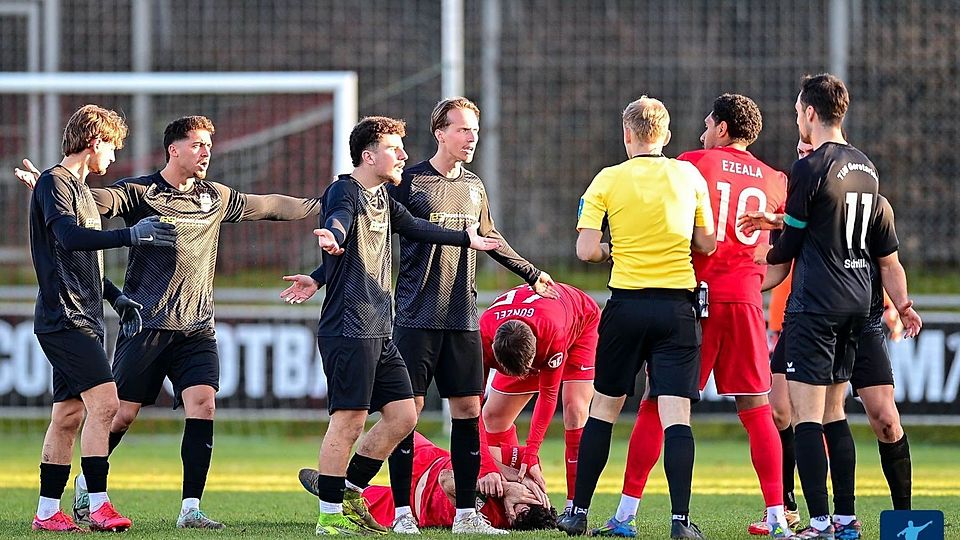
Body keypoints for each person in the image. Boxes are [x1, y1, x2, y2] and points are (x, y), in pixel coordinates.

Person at [17, 115, 325, 529]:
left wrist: (327, 202)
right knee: (117, 414)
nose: (206, 152)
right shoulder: (138, 194)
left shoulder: (214, 196)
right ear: (173, 149)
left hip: (196, 326)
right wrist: (49, 193)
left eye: (209, 146)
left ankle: (190, 508)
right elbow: (89, 207)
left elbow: (267, 205)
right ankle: (88, 489)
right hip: (145, 325)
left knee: (204, 403)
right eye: (197, 144)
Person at [281, 97, 555, 534]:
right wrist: (323, 264)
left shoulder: (473, 187)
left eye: (475, 130)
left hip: (457, 316)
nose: (471, 138)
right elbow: (348, 224)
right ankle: (392, 512)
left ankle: (463, 513)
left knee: (453, 410)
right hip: (407, 318)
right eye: (463, 129)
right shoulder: (399, 181)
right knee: (384, 414)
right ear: (440, 132)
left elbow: (480, 235)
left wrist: (528, 270)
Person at [601, 94, 794, 538]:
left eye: (708, 124)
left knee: (659, 401)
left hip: (695, 299)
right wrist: (753, 283)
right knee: (756, 408)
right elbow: (789, 240)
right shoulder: (775, 179)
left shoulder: (692, 163)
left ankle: (626, 515)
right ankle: (777, 517)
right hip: (745, 301)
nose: (702, 132)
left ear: (722, 129)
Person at [745, 74, 918, 540]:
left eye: (798, 112)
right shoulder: (866, 167)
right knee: (833, 415)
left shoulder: (809, 167)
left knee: (808, 418)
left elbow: (792, 245)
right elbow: (829, 222)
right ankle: (844, 520)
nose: (797, 119)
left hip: (816, 309)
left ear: (810, 114)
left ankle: (820, 522)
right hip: (856, 307)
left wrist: (758, 256)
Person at [556, 95, 716, 540]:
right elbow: (708, 243)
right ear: (665, 136)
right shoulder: (689, 175)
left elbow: (586, 250)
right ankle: (681, 522)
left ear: (626, 135)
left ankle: (577, 511)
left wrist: (615, 249)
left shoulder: (607, 179)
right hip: (676, 308)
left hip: (625, 306)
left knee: (604, 409)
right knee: (675, 415)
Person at [28, 104, 176, 532]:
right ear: (95, 143)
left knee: (68, 416)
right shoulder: (56, 182)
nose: (113, 157)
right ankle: (97, 505)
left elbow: (82, 257)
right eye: (112, 147)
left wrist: (116, 296)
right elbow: (69, 238)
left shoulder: (76, 188)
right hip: (63, 317)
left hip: (86, 315)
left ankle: (46, 513)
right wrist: (131, 234)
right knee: (107, 403)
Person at [479, 282, 600, 512]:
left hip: (580, 322)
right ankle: (514, 492)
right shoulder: (481, 337)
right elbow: (470, 406)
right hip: (523, 332)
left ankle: (575, 506)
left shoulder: (552, 334)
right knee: (493, 416)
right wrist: (486, 466)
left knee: (574, 411)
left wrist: (531, 454)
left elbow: (548, 396)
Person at [297, 433, 556, 531]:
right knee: (391, 424)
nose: (522, 499)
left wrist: (505, 487)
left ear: (512, 517)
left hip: (417, 503)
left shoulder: (497, 518)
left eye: (520, 506)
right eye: (528, 498)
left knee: (356, 504)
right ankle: (340, 482)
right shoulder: (528, 478)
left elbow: (448, 481)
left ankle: (330, 488)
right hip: (429, 458)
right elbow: (487, 452)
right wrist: (514, 477)